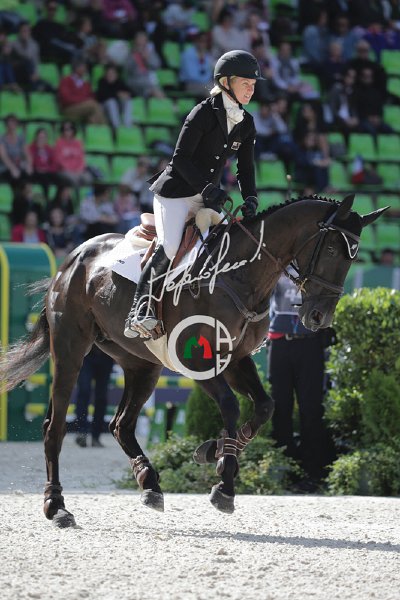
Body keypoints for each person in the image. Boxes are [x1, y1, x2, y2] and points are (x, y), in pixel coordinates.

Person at [123, 49, 263, 338]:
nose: (251, 89)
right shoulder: (202, 113)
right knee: (171, 246)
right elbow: (180, 159)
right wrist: (207, 188)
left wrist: (251, 197)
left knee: (226, 249)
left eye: (253, 84)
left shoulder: (246, 122)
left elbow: (246, 168)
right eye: (245, 83)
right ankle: (140, 309)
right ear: (225, 82)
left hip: (206, 197)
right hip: (175, 193)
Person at [268, 269, 334, 491]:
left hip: (310, 341)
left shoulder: (316, 262)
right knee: (280, 407)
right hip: (279, 342)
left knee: (311, 408)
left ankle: (313, 473)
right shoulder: (277, 262)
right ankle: (285, 471)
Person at [74, 346, 114, 448]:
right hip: (86, 355)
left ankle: (96, 436)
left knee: (101, 397)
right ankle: (81, 432)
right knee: (84, 391)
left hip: (106, 355)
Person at [58, 58, 106, 125]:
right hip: (68, 109)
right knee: (93, 105)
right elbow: (66, 99)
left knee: (93, 117)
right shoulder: (66, 80)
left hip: (83, 109)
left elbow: (91, 97)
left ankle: (98, 130)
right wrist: (83, 101)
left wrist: (85, 101)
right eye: (83, 67)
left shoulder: (86, 84)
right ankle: (105, 127)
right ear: (77, 68)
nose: (85, 70)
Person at [96, 64, 132, 129]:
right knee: (111, 101)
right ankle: (117, 126)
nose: (110, 75)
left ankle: (127, 125)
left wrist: (127, 94)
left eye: (112, 73)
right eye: (108, 73)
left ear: (116, 75)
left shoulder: (119, 82)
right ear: (105, 74)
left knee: (128, 100)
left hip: (117, 108)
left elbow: (132, 92)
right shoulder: (102, 82)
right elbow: (103, 95)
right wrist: (117, 94)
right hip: (104, 108)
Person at [0, 114, 32, 184]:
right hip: (6, 166)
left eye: (14, 123)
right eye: (10, 123)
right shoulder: (1, 138)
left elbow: (27, 153)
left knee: (29, 174)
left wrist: (29, 165)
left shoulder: (21, 138)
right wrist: (12, 168)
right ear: (6, 125)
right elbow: (3, 156)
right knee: (15, 176)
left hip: (18, 164)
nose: (12, 125)